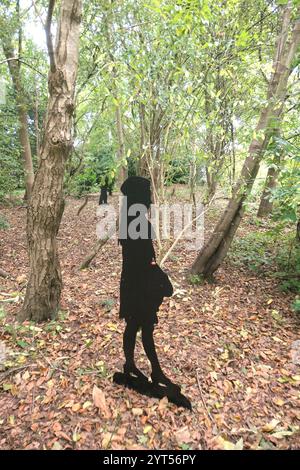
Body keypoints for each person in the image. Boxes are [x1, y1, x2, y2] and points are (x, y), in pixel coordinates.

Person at [119, 176, 179, 390]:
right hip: (139, 285)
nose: (150, 199)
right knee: (142, 327)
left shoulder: (128, 220)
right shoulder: (138, 223)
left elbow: (138, 258)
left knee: (136, 325)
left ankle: (136, 366)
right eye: (146, 195)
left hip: (132, 282)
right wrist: (154, 269)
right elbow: (144, 259)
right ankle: (150, 369)